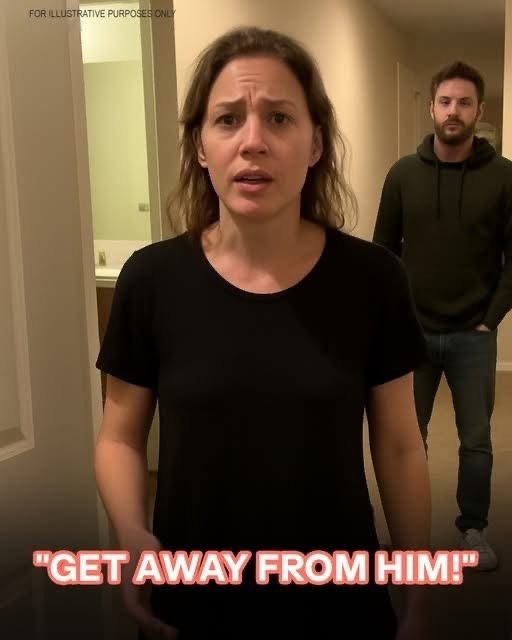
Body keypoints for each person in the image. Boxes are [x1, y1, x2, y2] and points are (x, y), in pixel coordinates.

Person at [95, 26, 431, 640]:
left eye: (279, 118)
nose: (253, 142)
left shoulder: (373, 279)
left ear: (315, 143)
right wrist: (131, 532)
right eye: (228, 120)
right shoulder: (151, 279)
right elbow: (119, 437)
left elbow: (401, 446)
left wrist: (419, 590)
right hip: (190, 601)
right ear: (200, 147)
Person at [373, 61, 512, 572]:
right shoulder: (402, 175)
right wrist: (393, 318)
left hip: (474, 333)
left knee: (476, 440)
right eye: (446, 102)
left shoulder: (504, 177)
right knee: (406, 439)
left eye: (465, 103)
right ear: (432, 107)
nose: (454, 111)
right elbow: (383, 252)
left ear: (480, 111)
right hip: (412, 334)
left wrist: (491, 317)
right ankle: (408, 536)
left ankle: (473, 530)